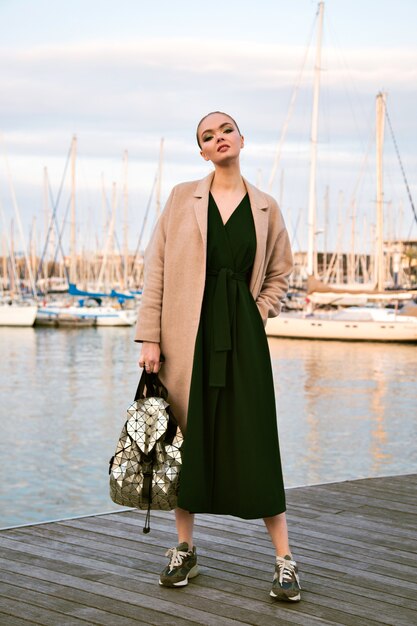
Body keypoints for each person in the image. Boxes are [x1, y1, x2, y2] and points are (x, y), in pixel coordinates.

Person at [135, 111, 301, 602]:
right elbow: (156, 269)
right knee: (186, 436)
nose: (219, 138)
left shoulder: (267, 207)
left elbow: (280, 272)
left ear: (241, 139)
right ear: (202, 151)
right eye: (208, 136)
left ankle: (284, 559)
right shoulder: (182, 199)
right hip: (186, 335)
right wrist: (150, 337)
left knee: (256, 437)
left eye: (225, 130)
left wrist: (258, 310)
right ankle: (184, 549)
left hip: (244, 336)